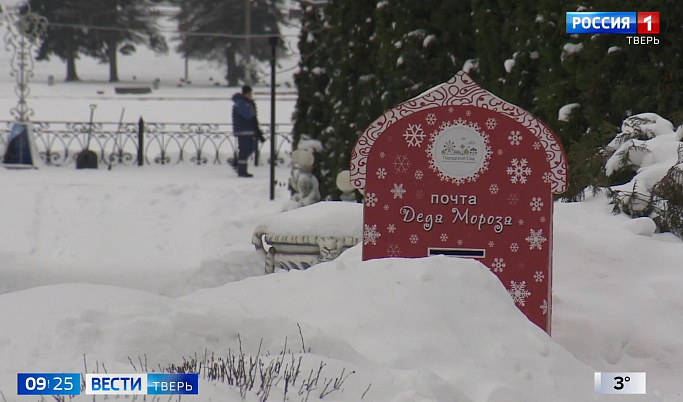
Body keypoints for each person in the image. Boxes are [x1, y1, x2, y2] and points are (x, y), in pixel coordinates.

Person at [232, 85, 265, 177]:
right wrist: (251, 107)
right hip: (243, 130)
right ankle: (241, 170)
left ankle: (237, 164)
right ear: (245, 93)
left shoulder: (246, 102)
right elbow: (249, 115)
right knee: (245, 150)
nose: (251, 95)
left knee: (251, 148)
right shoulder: (241, 103)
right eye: (249, 93)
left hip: (248, 130)